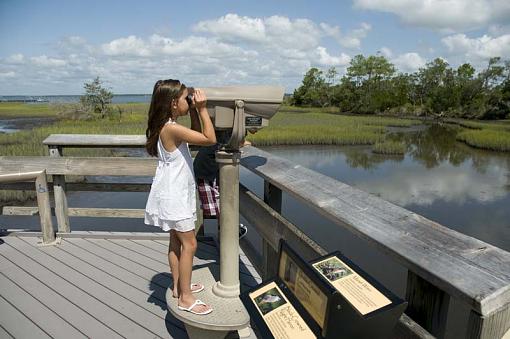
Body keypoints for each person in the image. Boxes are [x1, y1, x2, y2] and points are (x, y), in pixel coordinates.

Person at [144, 79, 215, 315]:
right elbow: (208, 139)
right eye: (186, 98)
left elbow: (194, 134)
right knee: (190, 243)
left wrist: (193, 109)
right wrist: (203, 109)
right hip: (175, 195)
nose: (190, 101)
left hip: (170, 193)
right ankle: (186, 298)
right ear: (174, 103)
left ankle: (178, 287)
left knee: (176, 242)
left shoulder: (167, 125)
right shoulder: (172, 128)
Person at [192, 126, 251, 239]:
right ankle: (227, 232)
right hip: (204, 171)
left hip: (213, 171)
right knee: (211, 209)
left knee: (216, 204)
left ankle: (221, 232)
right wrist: (242, 142)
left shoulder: (224, 130)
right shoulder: (223, 134)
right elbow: (240, 141)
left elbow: (241, 141)